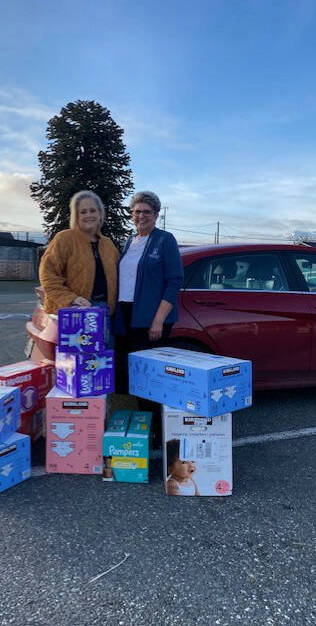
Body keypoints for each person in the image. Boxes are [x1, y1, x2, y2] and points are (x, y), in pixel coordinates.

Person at [114, 190, 184, 444]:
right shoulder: (129, 241)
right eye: (136, 212)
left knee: (151, 376)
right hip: (126, 315)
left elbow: (174, 281)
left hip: (151, 319)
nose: (140, 216)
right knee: (134, 373)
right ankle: (146, 425)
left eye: (146, 212)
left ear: (156, 215)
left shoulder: (165, 240)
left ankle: (159, 431)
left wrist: (157, 320)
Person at [39, 190, 119, 315]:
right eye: (83, 212)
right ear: (76, 216)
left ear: (100, 213)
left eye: (93, 210)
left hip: (105, 310)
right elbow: (48, 276)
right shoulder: (64, 239)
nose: (89, 215)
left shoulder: (108, 244)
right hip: (73, 310)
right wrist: (71, 299)